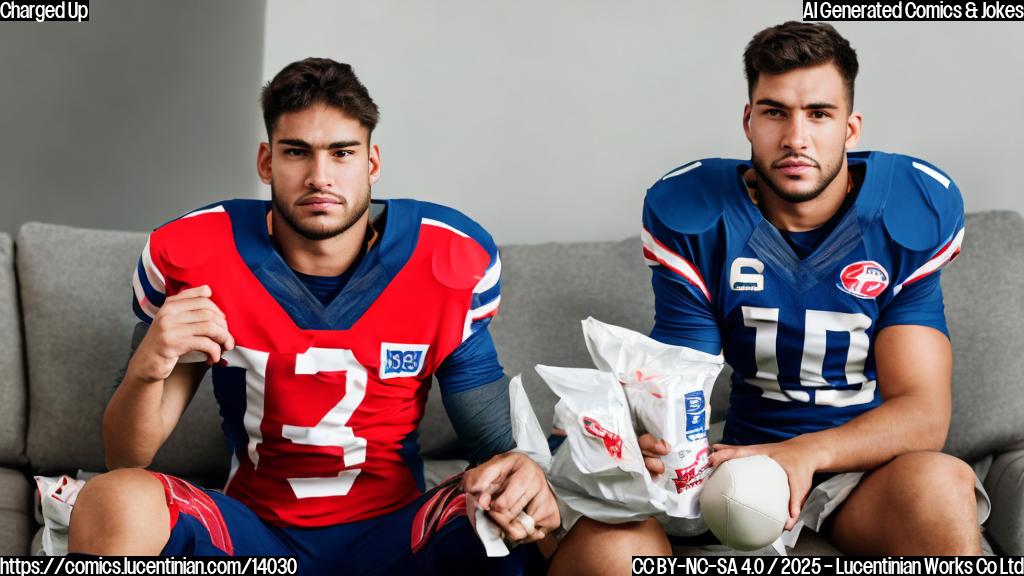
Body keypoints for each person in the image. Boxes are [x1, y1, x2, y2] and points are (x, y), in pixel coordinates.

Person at [67, 58, 556, 575]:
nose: (319, 177)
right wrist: (149, 362)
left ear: (371, 163)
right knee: (114, 496)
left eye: (341, 153)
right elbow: (126, 454)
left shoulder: (444, 258)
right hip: (255, 540)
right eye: (297, 152)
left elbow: (496, 443)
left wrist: (537, 469)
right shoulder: (200, 254)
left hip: (397, 540)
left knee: (520, 499)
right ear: (265, 161)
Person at [550, 21, 987, 572]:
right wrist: (627, 431)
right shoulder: (696, 214)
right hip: (738, 461)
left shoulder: (906, 211)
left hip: (863, 473)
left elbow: (923, 413)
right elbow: (680, 379)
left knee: (945, 482)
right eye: (775, 112)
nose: (796, 138)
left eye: (819, 114)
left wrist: (807, 453)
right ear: (749, 122)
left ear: (850, 129)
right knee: (605, 545)